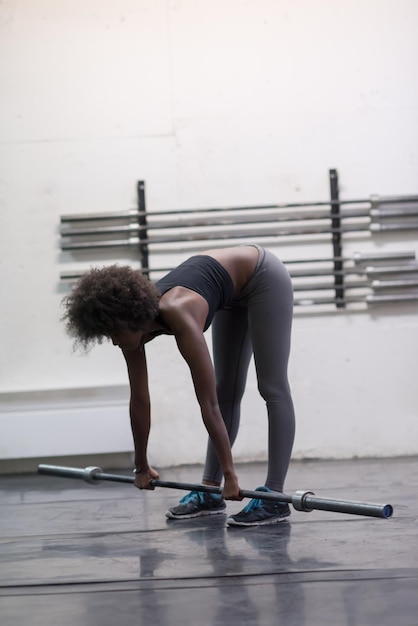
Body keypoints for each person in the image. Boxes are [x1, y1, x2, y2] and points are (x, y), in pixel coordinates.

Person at [62, 244, 295, 526]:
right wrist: (141, 465)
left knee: (271, 387)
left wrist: (232, 475)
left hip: (262, 276)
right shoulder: (129, 329)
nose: (113, 341)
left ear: (130, 318)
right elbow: (139, 400)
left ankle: (275, 496)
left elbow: (206, 403)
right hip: (228, 291)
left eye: (113, 332)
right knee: (227, 390)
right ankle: (210, 491)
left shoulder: (178, 311)